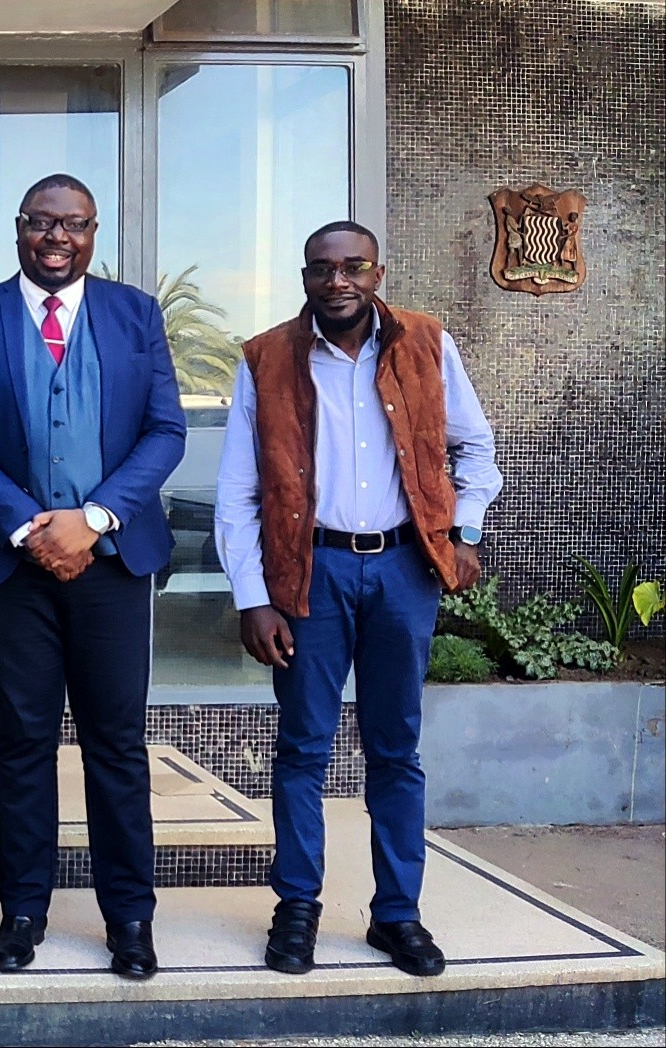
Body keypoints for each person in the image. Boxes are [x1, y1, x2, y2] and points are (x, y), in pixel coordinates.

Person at [215, 221, 501, 979]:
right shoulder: (266, 358)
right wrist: (254, 597)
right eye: (321, 268)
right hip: (310, 572)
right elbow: (238, 490)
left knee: (396, 749)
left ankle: (397, 914)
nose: (337, 280)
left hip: (405, 569)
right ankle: (297, 908)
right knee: (302, 748)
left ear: (378, 272)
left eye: (353, 266)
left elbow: (476, 448)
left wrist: (465, 531)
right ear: (304, 277)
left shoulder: (428, 344)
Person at [0, 173, 187, 980]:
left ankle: (130, 918)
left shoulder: (135, 314)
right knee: (22, 743)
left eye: (73, 224)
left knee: (117, 745)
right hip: (10, 568)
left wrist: (96, 517)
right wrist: (27, 526)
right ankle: (24, 910)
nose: (57, 238)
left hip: (112, 565)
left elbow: (165, 430)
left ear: (93, 233)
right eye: (42, 223)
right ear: (19, 229)